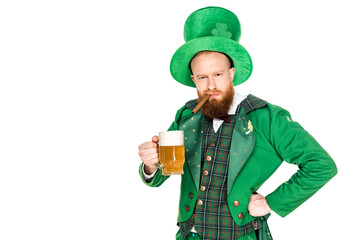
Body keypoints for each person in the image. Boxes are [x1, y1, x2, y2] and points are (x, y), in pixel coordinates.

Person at [138, 6, 337, 240]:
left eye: (218, 75)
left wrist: (271, 203)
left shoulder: (267, 117)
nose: (211, 85)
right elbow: (161, 174)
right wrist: (151, 166)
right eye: (202, 77)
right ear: (194, 79)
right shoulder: (187, 116)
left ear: (231, 73)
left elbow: (321, 165)